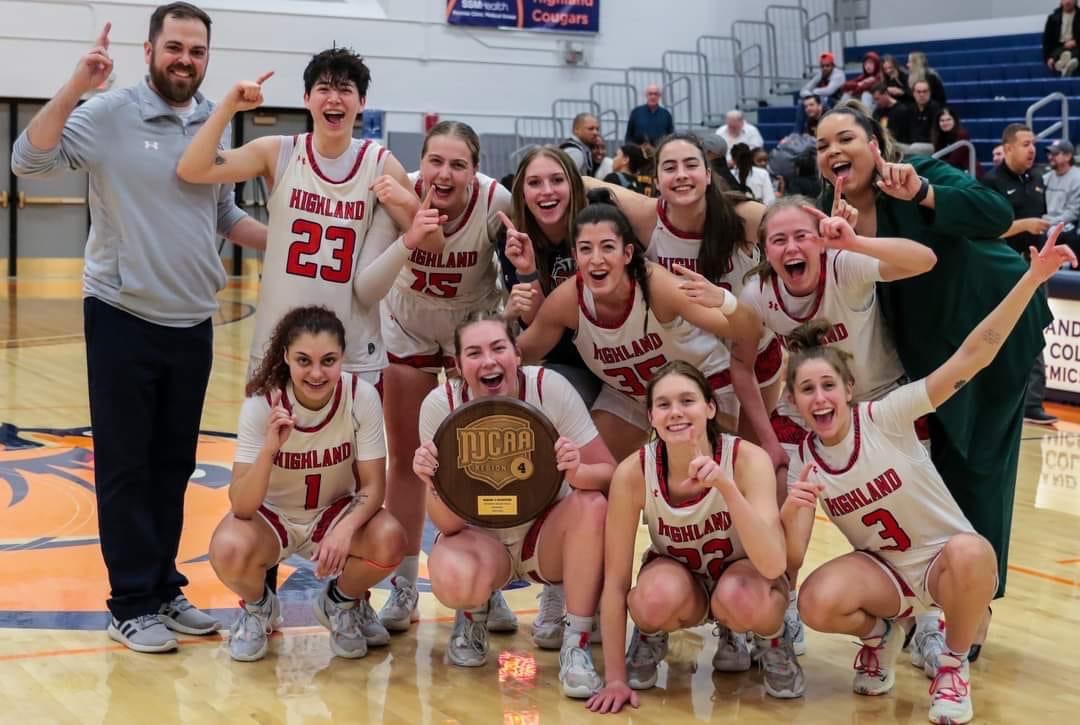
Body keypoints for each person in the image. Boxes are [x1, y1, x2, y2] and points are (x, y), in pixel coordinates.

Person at [10, 2, 267, 653]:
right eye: (174, 47)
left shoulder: (212, 121)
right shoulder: (106, 114)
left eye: (196, 51)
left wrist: (298, 242)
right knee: (125, 464)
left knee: (173, 464)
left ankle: (161, 586)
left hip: (193, 319)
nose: (185, 60)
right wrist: (75, 85)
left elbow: (226, 216)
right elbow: (27, 162)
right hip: (122, 315)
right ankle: (129, 602)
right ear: (150, 49)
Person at [782, 230, 1075, 724]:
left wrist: (1032, 279)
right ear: (793, 402)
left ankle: (952, 666)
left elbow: (972, 356)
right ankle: (883, 634)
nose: (819, 398)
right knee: (814, 601)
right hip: (887, 577)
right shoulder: (804, 459)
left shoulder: (887, 417)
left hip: (945, 565)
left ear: (848, 389)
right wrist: (794, 508)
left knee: (972, 549)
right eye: (806, 389)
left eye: (828, 385)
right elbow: (791, 558)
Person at [815, 103, 1053, 664]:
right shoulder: (835, 209)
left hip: (991, 327)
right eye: (822, 145)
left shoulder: (920, 174)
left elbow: (996, 213)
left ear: (876, 143)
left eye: (844, 137)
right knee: (934, 471)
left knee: (976, 465)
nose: (832, 152)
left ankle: (974, 613)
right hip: (929, 354)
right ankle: (934, 602)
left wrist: (923, 191)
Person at [734, 196, 937, 655]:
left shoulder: (845, 265)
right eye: (778, 239)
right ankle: (781, 605)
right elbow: (741, 364)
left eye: (802, 236)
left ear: (820, 241)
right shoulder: (758, 294)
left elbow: (925, 260)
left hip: (879, 403)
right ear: (765, 251)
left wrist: (856, 240)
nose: (791, 248)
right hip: (810, 412)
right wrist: (768, 440)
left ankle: (928, 619)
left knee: (911, 519)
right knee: (780, 493)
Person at [177, 47, 418, 380]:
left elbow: (425, 238)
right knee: (275, 433)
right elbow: (193, 168)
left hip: (351, 349)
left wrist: (407, 204)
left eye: (345, 90)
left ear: (362, 103)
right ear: (306, 98)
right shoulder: (278, 152)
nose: (334, 98)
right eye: (324, 89)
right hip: (280, 348)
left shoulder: (381, 164)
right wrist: (228, 106)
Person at [412, 314, 616, 697]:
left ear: (517, 355)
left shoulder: (549, 388)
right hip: (481, 539)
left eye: (498, 348)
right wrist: (431, 484)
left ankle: (577, 644)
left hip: (544, 539)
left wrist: (578, 470)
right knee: (454, 574)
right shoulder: (441, 406)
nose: (488, 361)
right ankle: (473, 614)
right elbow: (448, 525)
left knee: (592, 506)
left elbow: (609, 473)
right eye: (474, 353)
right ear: (458, 366)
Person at [585, 361, 803, 715]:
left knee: (747, 599)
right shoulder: (633, 472)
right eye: (664, 404)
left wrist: (726, 488)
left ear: (710, 407)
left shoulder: (748, 459)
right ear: (651, 416)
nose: (676, 413)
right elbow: (615, 581)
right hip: (680, 580)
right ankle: (651, 632)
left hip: (744, 576)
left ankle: (771, 638)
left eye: (687, 401)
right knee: (650, 599)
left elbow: (774, 563)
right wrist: (614, 679)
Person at [377, 121, 517, 636]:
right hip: (407, 324)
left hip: (470, 332)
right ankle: (404, 585)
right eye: (436, 161)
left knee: (481, 460)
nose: (445, 173)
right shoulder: (398, 189)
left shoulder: (496, 200)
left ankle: (486, 586)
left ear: (475, 171)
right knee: (408, 462)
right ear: (422, 162)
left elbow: (520, 265)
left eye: (458, 164)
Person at [209, 306, 406, 661]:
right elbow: (241, 505)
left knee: (390, 537)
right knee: (227, 547)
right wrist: (270, 448)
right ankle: (258, 608)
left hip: (332, 512)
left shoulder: (361, 397)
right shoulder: (261, 404)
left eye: (328, 360)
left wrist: (344, 530)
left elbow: (374, 487)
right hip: (273, 520)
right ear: (286, 357)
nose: (316, 373)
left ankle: (341, 603)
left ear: (343, 357)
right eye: (304, 360)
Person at [584, 134, 782, 463]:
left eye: (691, 165)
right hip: (691, 358)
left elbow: (797, 228)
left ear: (708, 174)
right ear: (656, 180)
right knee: (694, 468)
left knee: (752, 462)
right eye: (669, 167)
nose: (681, 175)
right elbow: (576, 180)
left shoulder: (742, 215)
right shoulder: (647, 215)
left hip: (749, 351)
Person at [516, 202, 761, 463]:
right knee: (589, 468)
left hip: (702, 384)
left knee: (703, 472)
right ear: (575, 256)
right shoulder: (567, 301)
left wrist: (725, 301)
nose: (596, 259)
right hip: (632, 396)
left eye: (608, 247)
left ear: (628, 253)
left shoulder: (658, 286)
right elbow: (521, 353)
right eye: (586, 249)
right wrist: (489, 336)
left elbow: (747, 330)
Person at [499, 146, 602, 650]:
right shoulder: (516, 241)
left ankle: (596, 593)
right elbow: (533, 332)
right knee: (553, 452)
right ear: (521, 192)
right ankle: (558, 587)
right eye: (534, 183)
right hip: (565, 369)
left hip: (621, 367)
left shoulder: (600, 220)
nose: (546, 192)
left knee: (607, 481)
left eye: (556, 180)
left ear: (574, 183)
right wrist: (522, 286)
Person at [981, 123, 1056, 426]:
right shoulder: (991, 183)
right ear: (1008, 148)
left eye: (1034, 143)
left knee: (1036, 331)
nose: (1032, 149)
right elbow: (985, 229)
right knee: (998, 334)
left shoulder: (1038, 178)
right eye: (1025, 143)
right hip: (1003, 269)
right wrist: (1024, 225)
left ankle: (1033, 402)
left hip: (1035, 268)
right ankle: (995, 398)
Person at [1043, 139, 1080, 252]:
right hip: (1046, 223)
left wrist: (1050, 223)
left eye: (1055, 154)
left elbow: (1073, 213)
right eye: (1050, 153)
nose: (1050, 157)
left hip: (1067, 225)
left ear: (1068, 156)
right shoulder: (1046, 177)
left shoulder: (1077, 178)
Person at [889, 80, 940, 158]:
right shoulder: (909, 109)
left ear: (929, 93)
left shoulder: (936, 109)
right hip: (911, 145)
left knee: (915, 147)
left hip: (930, 145)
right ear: (913, 93)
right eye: (918, 92)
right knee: (891, 146)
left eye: (925, 91)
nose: (922, 94)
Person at [931, 106, 975, 175]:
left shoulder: (962, 135)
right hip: (949, 171)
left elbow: (953, 161)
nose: (945, 123)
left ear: (955, 120)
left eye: (948, 119)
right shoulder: (938, 137)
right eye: (942, 120)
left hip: (966, 173)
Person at [1043, 0, 1080, 76]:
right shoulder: (1053, 18)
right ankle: (1067, 63)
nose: (1068, 1)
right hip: (1059, 47)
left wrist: (1075, 41)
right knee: (1057, 53)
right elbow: (1047, 40)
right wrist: (1048, 58)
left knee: (1076, 52)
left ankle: (1063, 64)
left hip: (1076, 45)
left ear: (1076, 1)